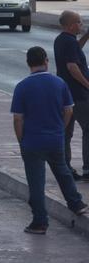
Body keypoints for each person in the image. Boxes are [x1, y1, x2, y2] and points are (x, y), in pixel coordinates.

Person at [12, 46, 88, 235]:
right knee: (62, 171)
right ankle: (76, 203)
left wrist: (21, 139)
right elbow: (69, 110)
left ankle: (40, 221)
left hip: (32, 141)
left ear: (28, 63)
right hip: (55, 138)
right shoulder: (59, 83)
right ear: (46, 60)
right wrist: (60, 129)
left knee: (36, 182)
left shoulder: (22, 86)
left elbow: (18, 119)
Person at [53, 10, 89, 180]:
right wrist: (87, 85)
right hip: (78, 95)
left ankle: (65, 168)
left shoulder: (64, 40)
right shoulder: (68, 42)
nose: (81, 25)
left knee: (66, 132)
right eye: (79, 22)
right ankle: (87, 168)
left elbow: (75, 50)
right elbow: (72, 67)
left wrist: (87, 36)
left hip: (65, 94)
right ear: (70, 25)